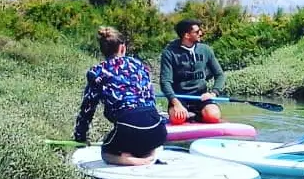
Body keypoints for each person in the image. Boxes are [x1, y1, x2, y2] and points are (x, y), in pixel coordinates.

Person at [73, 26, 168, 166]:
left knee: (106, 152)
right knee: (143, 137)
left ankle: (137, 161)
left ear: (103, 50)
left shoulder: (97, 72)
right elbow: (150, 98)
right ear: (122, 48)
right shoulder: (139, 65)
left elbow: (87, 109)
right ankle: (149, 155)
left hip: (129, 127)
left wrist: (80, 137)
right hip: (158, 129)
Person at [159, 19, 226, 125]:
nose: (201, 33)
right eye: (197, 31)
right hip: (179, 99)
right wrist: (175, 102)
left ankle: (197, 116)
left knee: (213, 115)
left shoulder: (206, 50)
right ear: (186, 35)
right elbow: (165, 82)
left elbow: (220, 75)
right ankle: (185, 115)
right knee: (177, 118)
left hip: (201, 97)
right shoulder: (169, 53)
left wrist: (214, 93)